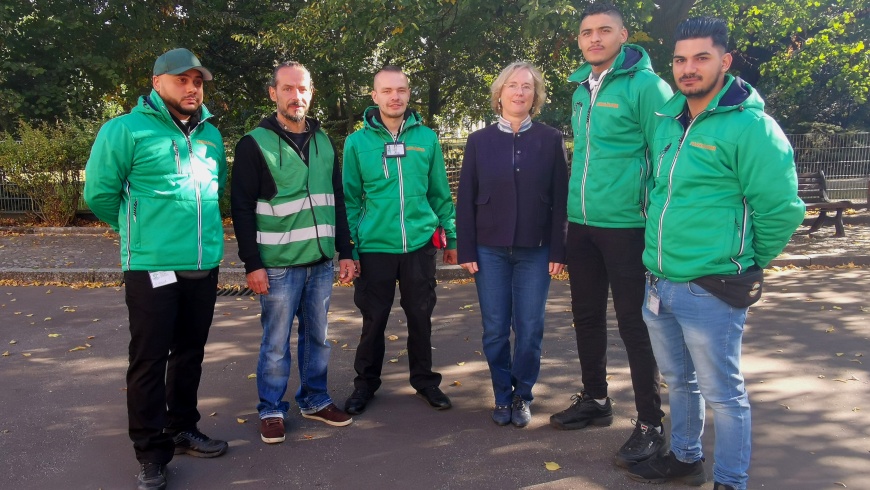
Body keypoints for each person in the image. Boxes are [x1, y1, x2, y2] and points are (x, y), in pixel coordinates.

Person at [627, 17, 805, 490]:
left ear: (724, 62)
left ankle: (730, 479)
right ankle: (686, 458)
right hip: (658, 281)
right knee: (679, 383)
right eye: (681, 59)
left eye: (701, 58)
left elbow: (782, 210)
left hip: (711, 289)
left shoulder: (752, 128)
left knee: (724, 395)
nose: (689, 68)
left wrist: (746, 261)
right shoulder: (669, 122)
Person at [84, 48, 228, 490]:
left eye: (197, 81)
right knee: (148, 361)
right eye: (182, 80)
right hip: (151, 268)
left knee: (190, 354)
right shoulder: (124, 130)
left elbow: (213, 192)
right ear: (156, 82)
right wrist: (140, 233)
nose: (191, 88)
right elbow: (100, 195)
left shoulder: (210, 136)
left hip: (202, 264)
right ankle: (150, 453)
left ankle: (182, 427)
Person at [548, 2, 674, 468]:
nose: (594, 38)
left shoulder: (648, 87)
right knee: (585, 315)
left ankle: (650, 422)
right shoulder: (582, 88)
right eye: (586, 32)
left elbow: (665, 159)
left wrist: (653, 220)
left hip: (627, 225)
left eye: (604, 30)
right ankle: (596, 400)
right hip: (581, 223)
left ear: (624, 35)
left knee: (634, 323)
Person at [231, 62, 355, 445]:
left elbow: (337, 200)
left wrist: (345, 252)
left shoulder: (323, 141)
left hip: (320, 261)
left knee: (317, 338)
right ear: (273, 93)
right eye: (287, 89)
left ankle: (315, 399)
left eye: (302, 89)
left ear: (311, 92)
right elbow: (241, 207)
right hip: (278, 264)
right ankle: (271, 408)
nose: (296, 96)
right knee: (276, 341)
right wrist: (252, 264)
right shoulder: (254, 143)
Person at [456, 61, 568, 428]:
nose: (519, 92)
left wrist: (558, 249)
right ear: (499, 93)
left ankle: (523, 394)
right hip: (489, 249)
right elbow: (466, 197)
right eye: (512, 86)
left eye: (527, 86)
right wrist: (467, 249)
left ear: (535, 95)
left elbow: (560, 198)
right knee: (494, 328)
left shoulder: (550, 139)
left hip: (535, 250)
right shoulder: (479, 141)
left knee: (531, 326)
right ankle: (502, 394)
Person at [342, 66, 457, 415]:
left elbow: (439, 193)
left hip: (420, 245)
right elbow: (349, 199)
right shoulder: (357, 142)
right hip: (374, 246)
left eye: (401, 90)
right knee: (373, 319)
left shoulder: (427, 139)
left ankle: (425, 382)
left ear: (408, 94)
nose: (395, 97)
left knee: (420, 316)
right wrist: (351, 249)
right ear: (374, 96)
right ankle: (365, 385)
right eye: (387, 91)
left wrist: (451, 236)